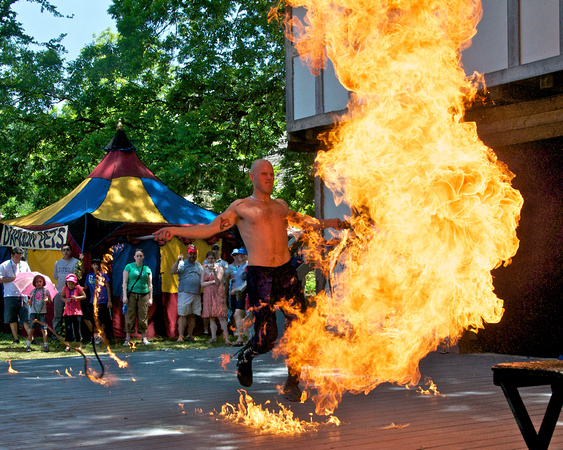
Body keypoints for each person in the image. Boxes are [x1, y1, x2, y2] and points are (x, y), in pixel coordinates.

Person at [154, 159, 345, 401]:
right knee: (266, 339)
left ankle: (292, 382)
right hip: (261, 275)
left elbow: (306, 222)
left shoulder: (280, 207)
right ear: (252, 177)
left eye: (272, 174)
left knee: (298, 327)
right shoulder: (241, 208)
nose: (269, 178)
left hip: (286, 273)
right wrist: (175, 230)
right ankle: (246, 355)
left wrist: (332, 223)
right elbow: (208, 230)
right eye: (264, 174)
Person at [170, 244, 202, 342]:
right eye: (190, 253)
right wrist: (177, 260)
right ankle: (180, 336)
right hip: (184, 292)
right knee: (183, 314)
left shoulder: (198, 265)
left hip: (196, 293)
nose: (192, 255)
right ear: (187, 254)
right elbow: (172, 271)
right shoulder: (182, 263)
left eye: (194, 254)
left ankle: (190, 335)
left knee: (193, 314)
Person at [0, 247, 32, 344]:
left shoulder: (24, 264)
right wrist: (13, 278)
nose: (19, 259)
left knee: (25, 317)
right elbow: (1, 279)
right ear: (12, 256)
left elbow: (29, 277)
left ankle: (31, 338)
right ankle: (16, 338)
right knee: (12, 318)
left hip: (22, 294)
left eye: (20, 257)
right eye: (17, 257)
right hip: (10, 294)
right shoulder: (4, 265)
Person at [52, 244, 84, 340]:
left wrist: (81, 262)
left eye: (67, 249)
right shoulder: (57, 263)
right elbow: (56, 277)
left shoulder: (76, 262)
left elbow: (81, 274)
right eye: (63, 250)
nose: (65, 251)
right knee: (58, 315)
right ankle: (56, 336)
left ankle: (73, 337)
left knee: (73, 316)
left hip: (72, 293)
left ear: (71, 251)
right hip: (59, 291)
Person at [122, 248, 153, 346]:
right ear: (134, 257)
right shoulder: (129, 267)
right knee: (129, 315)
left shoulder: (147, 269)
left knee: (143, 315)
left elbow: (150, 284)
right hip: (132, 294)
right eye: (137, 256)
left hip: (144, 294)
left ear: (143, 257)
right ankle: (127, 338)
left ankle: (144, 337)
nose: (139, 257)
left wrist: (151, 297)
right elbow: (125, 282)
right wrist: (124, 296)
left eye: (141, 256)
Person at [201, 251, 229, 344]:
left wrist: (214, 273)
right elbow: (202, 283)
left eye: (212, 258)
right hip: (208, 294)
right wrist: (212, 282)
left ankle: (226, 338)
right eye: (208, 258)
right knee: (211, 317)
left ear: (215, 259)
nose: (210, 260)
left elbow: (218, 282)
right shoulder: (203, 270)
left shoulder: (220, 269)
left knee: (220, 316)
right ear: (206, 259)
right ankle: (213, 337)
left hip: (217, 293)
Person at [84, 258, 113, 344]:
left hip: (103, 301)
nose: (95, 266)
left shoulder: (104, 275)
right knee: (86, 318)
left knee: (103, 319)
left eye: (97, 265)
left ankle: (101, 336)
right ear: (91, 266)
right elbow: (85, 288)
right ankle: (96, 335)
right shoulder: (89, 276)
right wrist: (76, 288)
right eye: (94, 264)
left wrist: (109, 300)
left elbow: (107, 288)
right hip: (92, 301)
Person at [226, 248, 248, 346]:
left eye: (242, 255)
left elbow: (248, 281)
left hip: (246, 294)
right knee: (239, 315)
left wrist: (238, 289)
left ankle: (242, 338)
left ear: (247, 255)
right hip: (239, 294)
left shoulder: (248, 266)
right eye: (238, 255)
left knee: (239, 315)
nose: (240, 256)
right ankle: (243, 338)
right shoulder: (240, 266)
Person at [25, 274, 52, 352]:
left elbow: (50, 301)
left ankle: (46, 346)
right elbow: (29, 302)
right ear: (34, 283)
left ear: (43, 282)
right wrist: (29, 302)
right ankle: (28, 345)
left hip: (42, 312)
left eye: (40, 282)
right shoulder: (33, 291)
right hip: (33, 312)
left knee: (44, 329)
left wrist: (47, 299)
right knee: (31, 329)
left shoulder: (46, 290)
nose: (38, 283)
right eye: (37, 282)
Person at [61, 273, 86, 352]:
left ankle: (79, 346)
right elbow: (62, 297)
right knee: (67, 329)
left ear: (75, 283)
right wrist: (66, 300)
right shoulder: (65, 288)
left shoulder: (78, 288)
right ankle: (67, 346)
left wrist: (76, 298)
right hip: (68, 312)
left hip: (76, 312)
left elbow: (84, 296)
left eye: (72, 283)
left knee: (77, 329)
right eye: (69, 283)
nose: (70, 285)